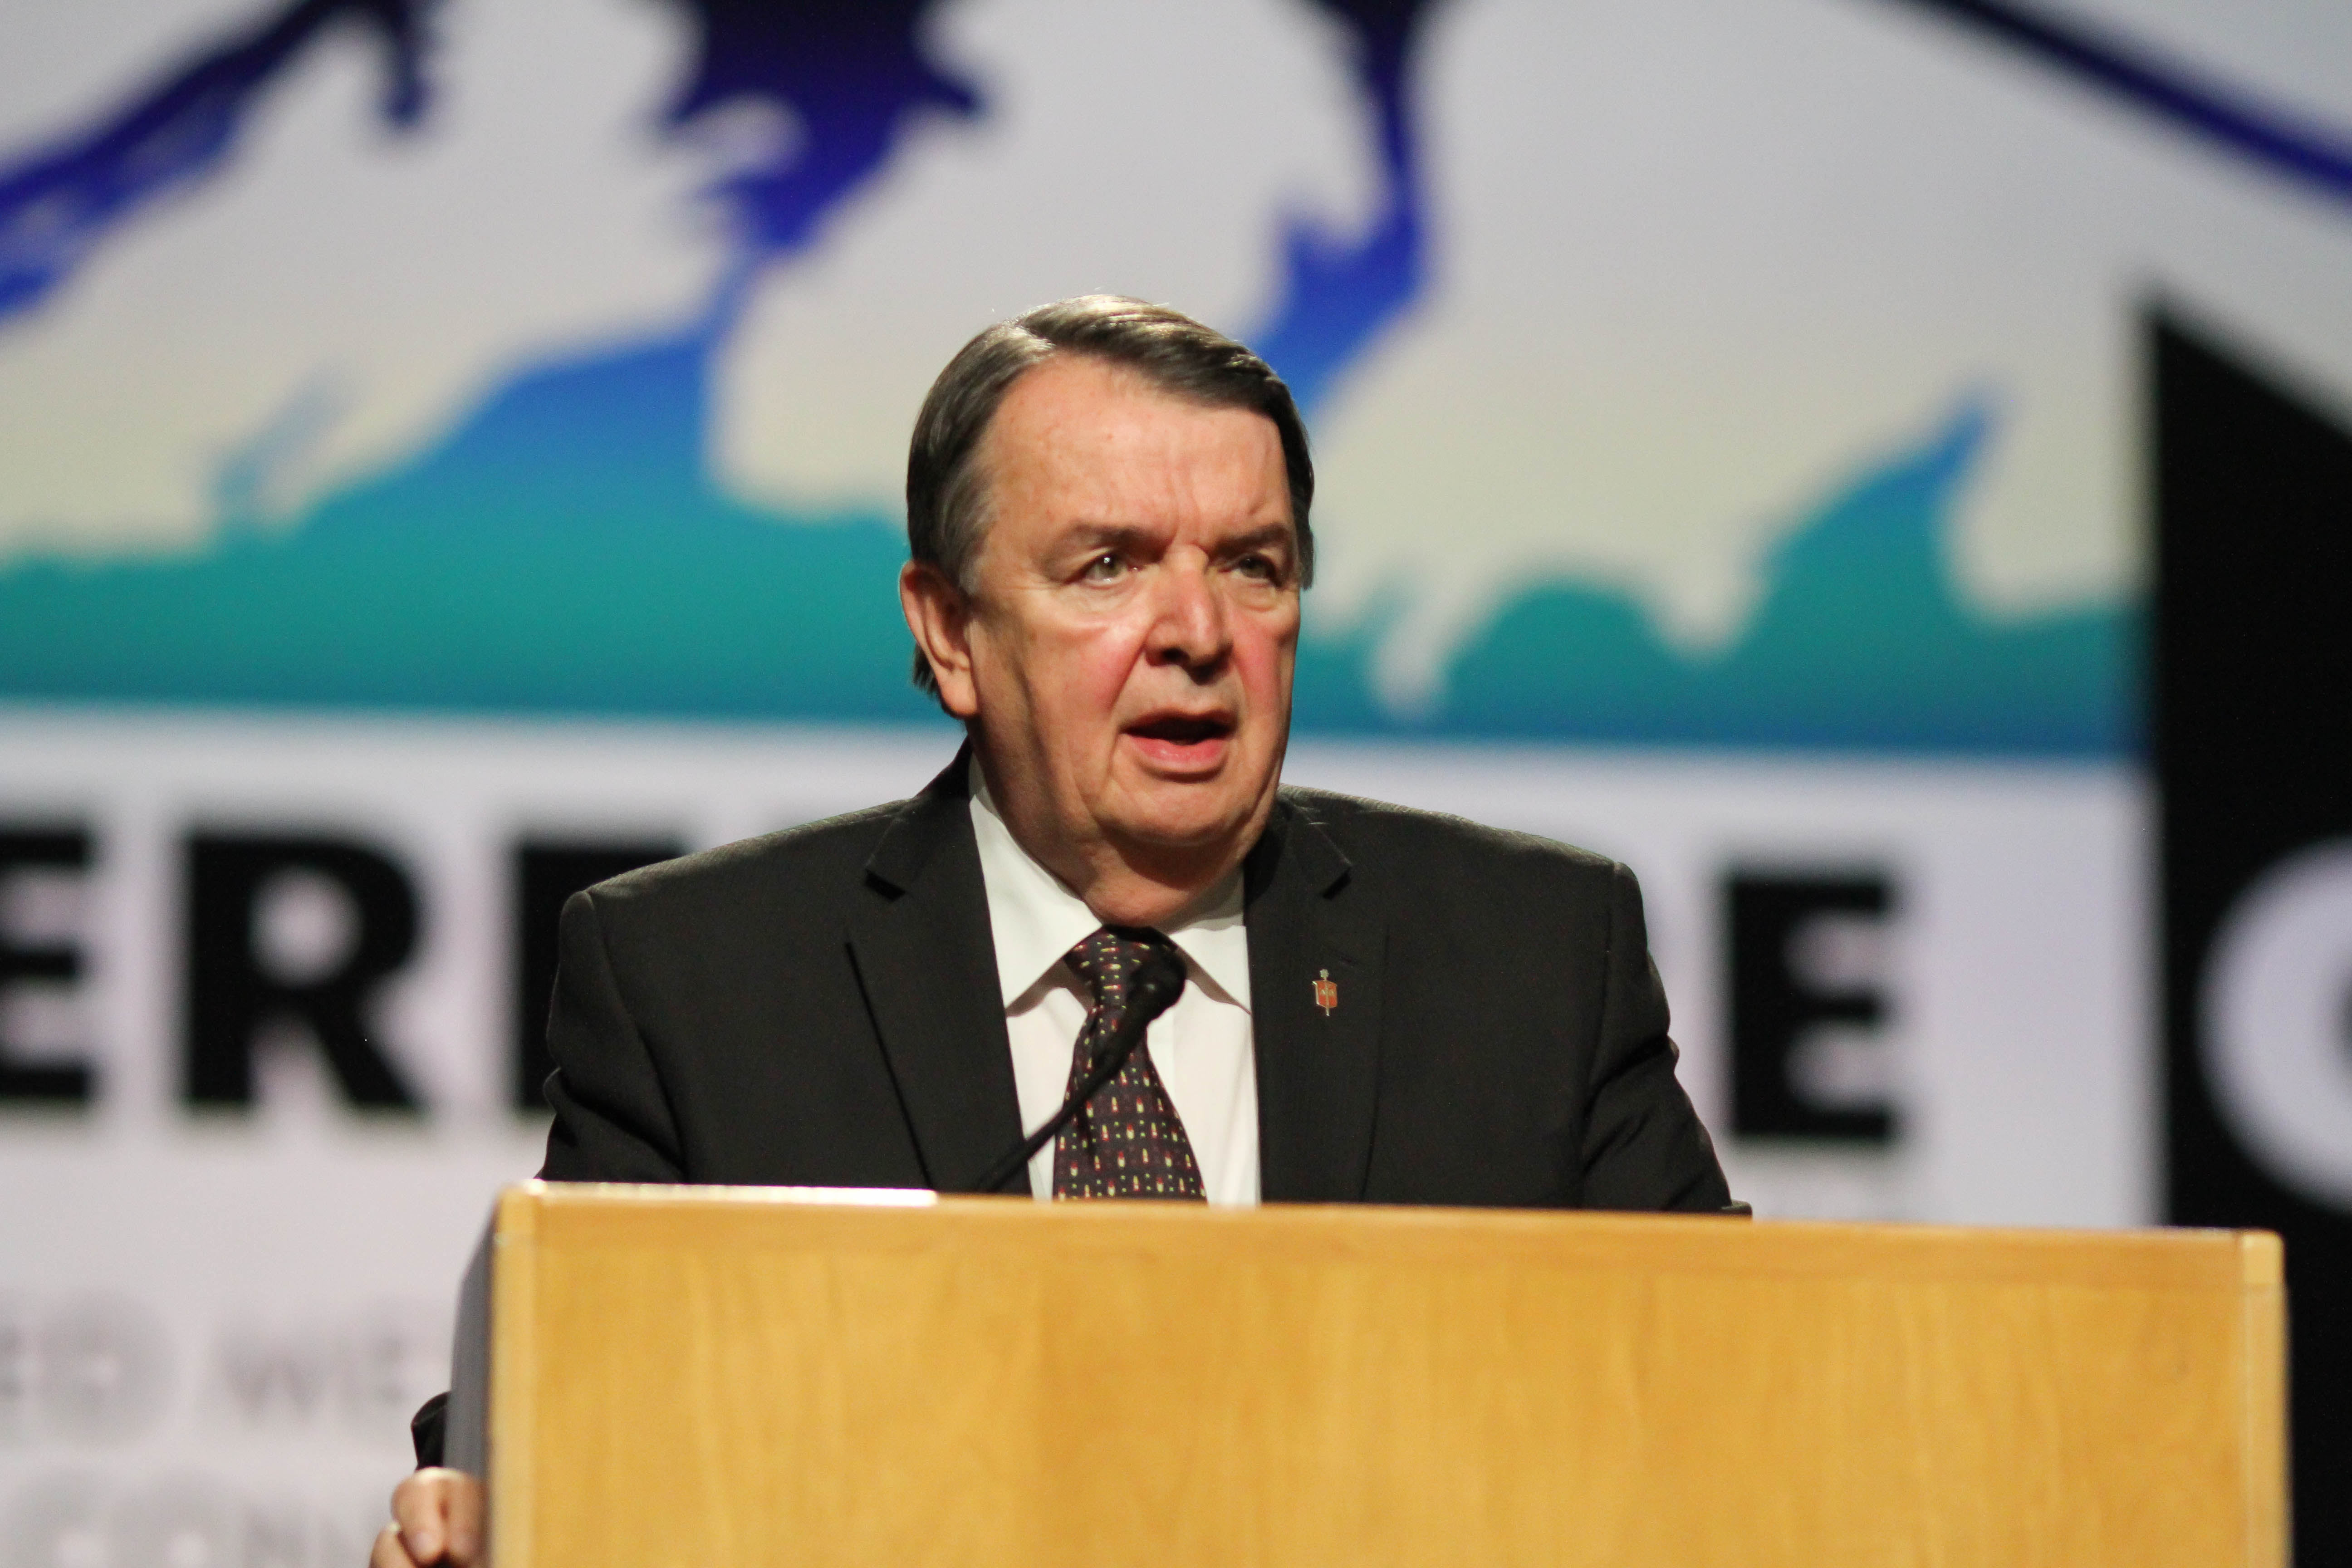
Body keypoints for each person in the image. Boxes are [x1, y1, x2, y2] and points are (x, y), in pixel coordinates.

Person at [373, 295, 1731, 1568]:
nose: (1198, 633)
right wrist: (476, 1513)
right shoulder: (703, 984)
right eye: (1109, 566)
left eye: (1253, 568)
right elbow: (558, 1413)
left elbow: (1739, 1395)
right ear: (951, 634)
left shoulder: (1534, 962)